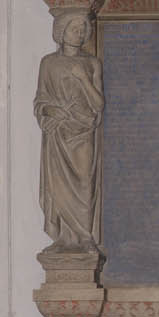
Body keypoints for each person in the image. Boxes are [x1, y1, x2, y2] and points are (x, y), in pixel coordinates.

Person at [34, 13, 104, 250]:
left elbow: (98, 104)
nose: (79, 33)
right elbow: (41, 100)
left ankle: (85, 237)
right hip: (58, 134)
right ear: (61, 31)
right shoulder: (48, 63)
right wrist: (51, 110)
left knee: (84, 181)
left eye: (82, 29)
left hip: (83, 131)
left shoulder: (92, 63)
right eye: (74, 29)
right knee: (58, 185)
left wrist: (83, 79)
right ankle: (65, 238)